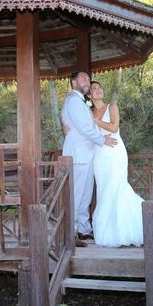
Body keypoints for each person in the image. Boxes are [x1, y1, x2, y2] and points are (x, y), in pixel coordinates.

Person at [61, 71, 117, 246]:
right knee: (77, 194)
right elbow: (85, 127)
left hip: (86, 154)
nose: (87, 81)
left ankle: (84, 228)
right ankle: (71, 233)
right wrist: (102, 140)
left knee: (85, 195)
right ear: (73, 82)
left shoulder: (80, 101)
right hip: (78, 155)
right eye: (83, 79)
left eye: (87, 79)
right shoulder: (73, 100)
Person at [89, 81, 144, 247]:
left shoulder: (111, 106)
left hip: (114, 152)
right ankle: (108, 230)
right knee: (104, 189)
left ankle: (130, 228)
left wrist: (95, 122)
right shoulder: (88, 111)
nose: (98, 90)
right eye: (94, 89)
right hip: (99, 155)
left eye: (100, 87)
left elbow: (113, 127)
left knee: (117, 186)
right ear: (89, 95)